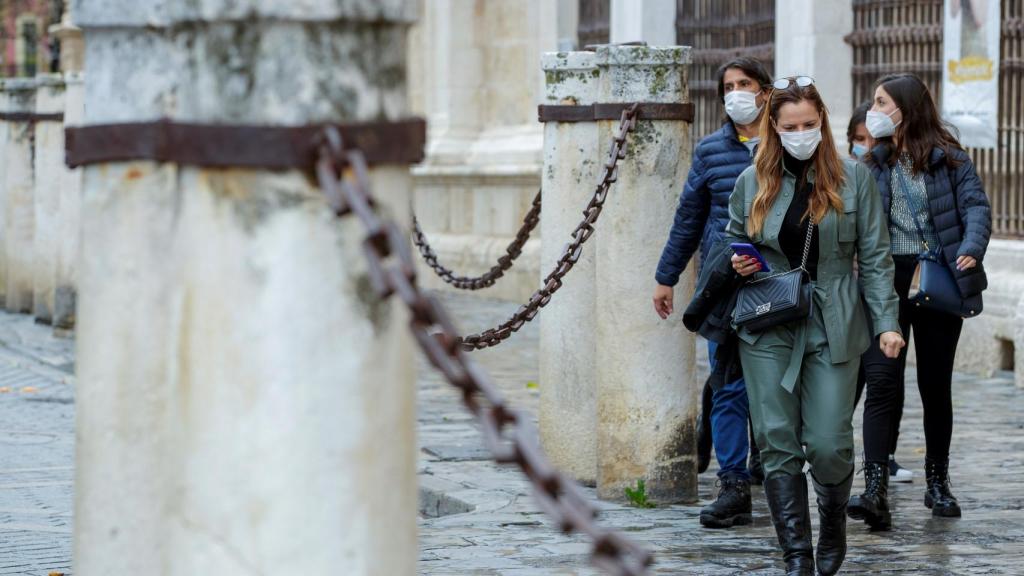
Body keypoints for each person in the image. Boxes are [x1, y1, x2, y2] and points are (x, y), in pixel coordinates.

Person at [725, 76, 904, 575]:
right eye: (790, 127)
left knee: (829, 443)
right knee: (776, 438)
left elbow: (876, 258)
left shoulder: (854, 178)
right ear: (774, 127)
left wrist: (887, 323)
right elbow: (732, 240)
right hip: (768, 320)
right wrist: (739, 261)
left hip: (834, 319)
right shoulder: (751, 181)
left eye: (809, 124)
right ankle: (797, 556)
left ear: (822, 121)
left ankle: (832, 521)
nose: (801, 133)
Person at [848, 73, 991, 530]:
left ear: (905, 109)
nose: (873, 110)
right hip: (884, 281)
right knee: (881, 382)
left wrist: (971, 246)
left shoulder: (951, 160)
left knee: (935, 384)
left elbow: (977, 207)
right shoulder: (871, 164)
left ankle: (937, 482)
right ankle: (874, 488)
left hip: (938, 277)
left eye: (881, 102)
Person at [653, 57, 771, 529]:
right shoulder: (710, 151)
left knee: (775, 383)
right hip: (725, 285)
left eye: (746, 83)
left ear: (765, 91)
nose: (737, 92)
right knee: (728, 385)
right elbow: (689, 216)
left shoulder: (786, 143)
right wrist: (666, 276)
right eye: (729, 86)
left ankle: (772, 465)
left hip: (778, 282)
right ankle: (733, 483)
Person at [848, 101, 915, 484]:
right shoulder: (845, 176)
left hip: (887, 289)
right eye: (859, 139)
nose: (866, 145)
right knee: (850, 379)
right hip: (849, 296)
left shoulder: (898, 174)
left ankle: (881, 464)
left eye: (872, 139)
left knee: (887, 377)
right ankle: (831, 448)